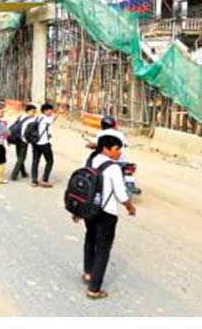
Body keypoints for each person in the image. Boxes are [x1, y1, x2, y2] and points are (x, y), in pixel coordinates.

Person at [72, 133, 136, 300]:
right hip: (106, 213)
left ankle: (87, 273)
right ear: (106, 149)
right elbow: (121, 194)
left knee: (90, 239)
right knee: (103, 249)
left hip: (89, 210)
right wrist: (130, 207)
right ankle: (94, 289)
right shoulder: (113, 168)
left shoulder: (89, 160)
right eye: (116, 149)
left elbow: (80, 185)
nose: (119, 153)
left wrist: (77, 210)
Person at [31, 102, 57, 188]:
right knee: (50, 161)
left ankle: (34, 180)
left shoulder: (38, 117)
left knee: (35, 161)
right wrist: (59, 113)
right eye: (50, 111)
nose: (51, 112)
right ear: (45, 111)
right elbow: (52, 120)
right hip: (43, 143)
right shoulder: (46, 118)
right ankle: (44, 180)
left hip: (35, 142)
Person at [10, 104, 37, 181]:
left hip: (17, 139)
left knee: (19, 157)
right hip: (23, 141)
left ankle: (23, 172)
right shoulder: (32, 120)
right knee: (21, 158)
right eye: (33, 111)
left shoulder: (21, 117)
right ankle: (14, 174)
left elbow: (13, 127)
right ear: (28, 111)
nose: (34, 113)